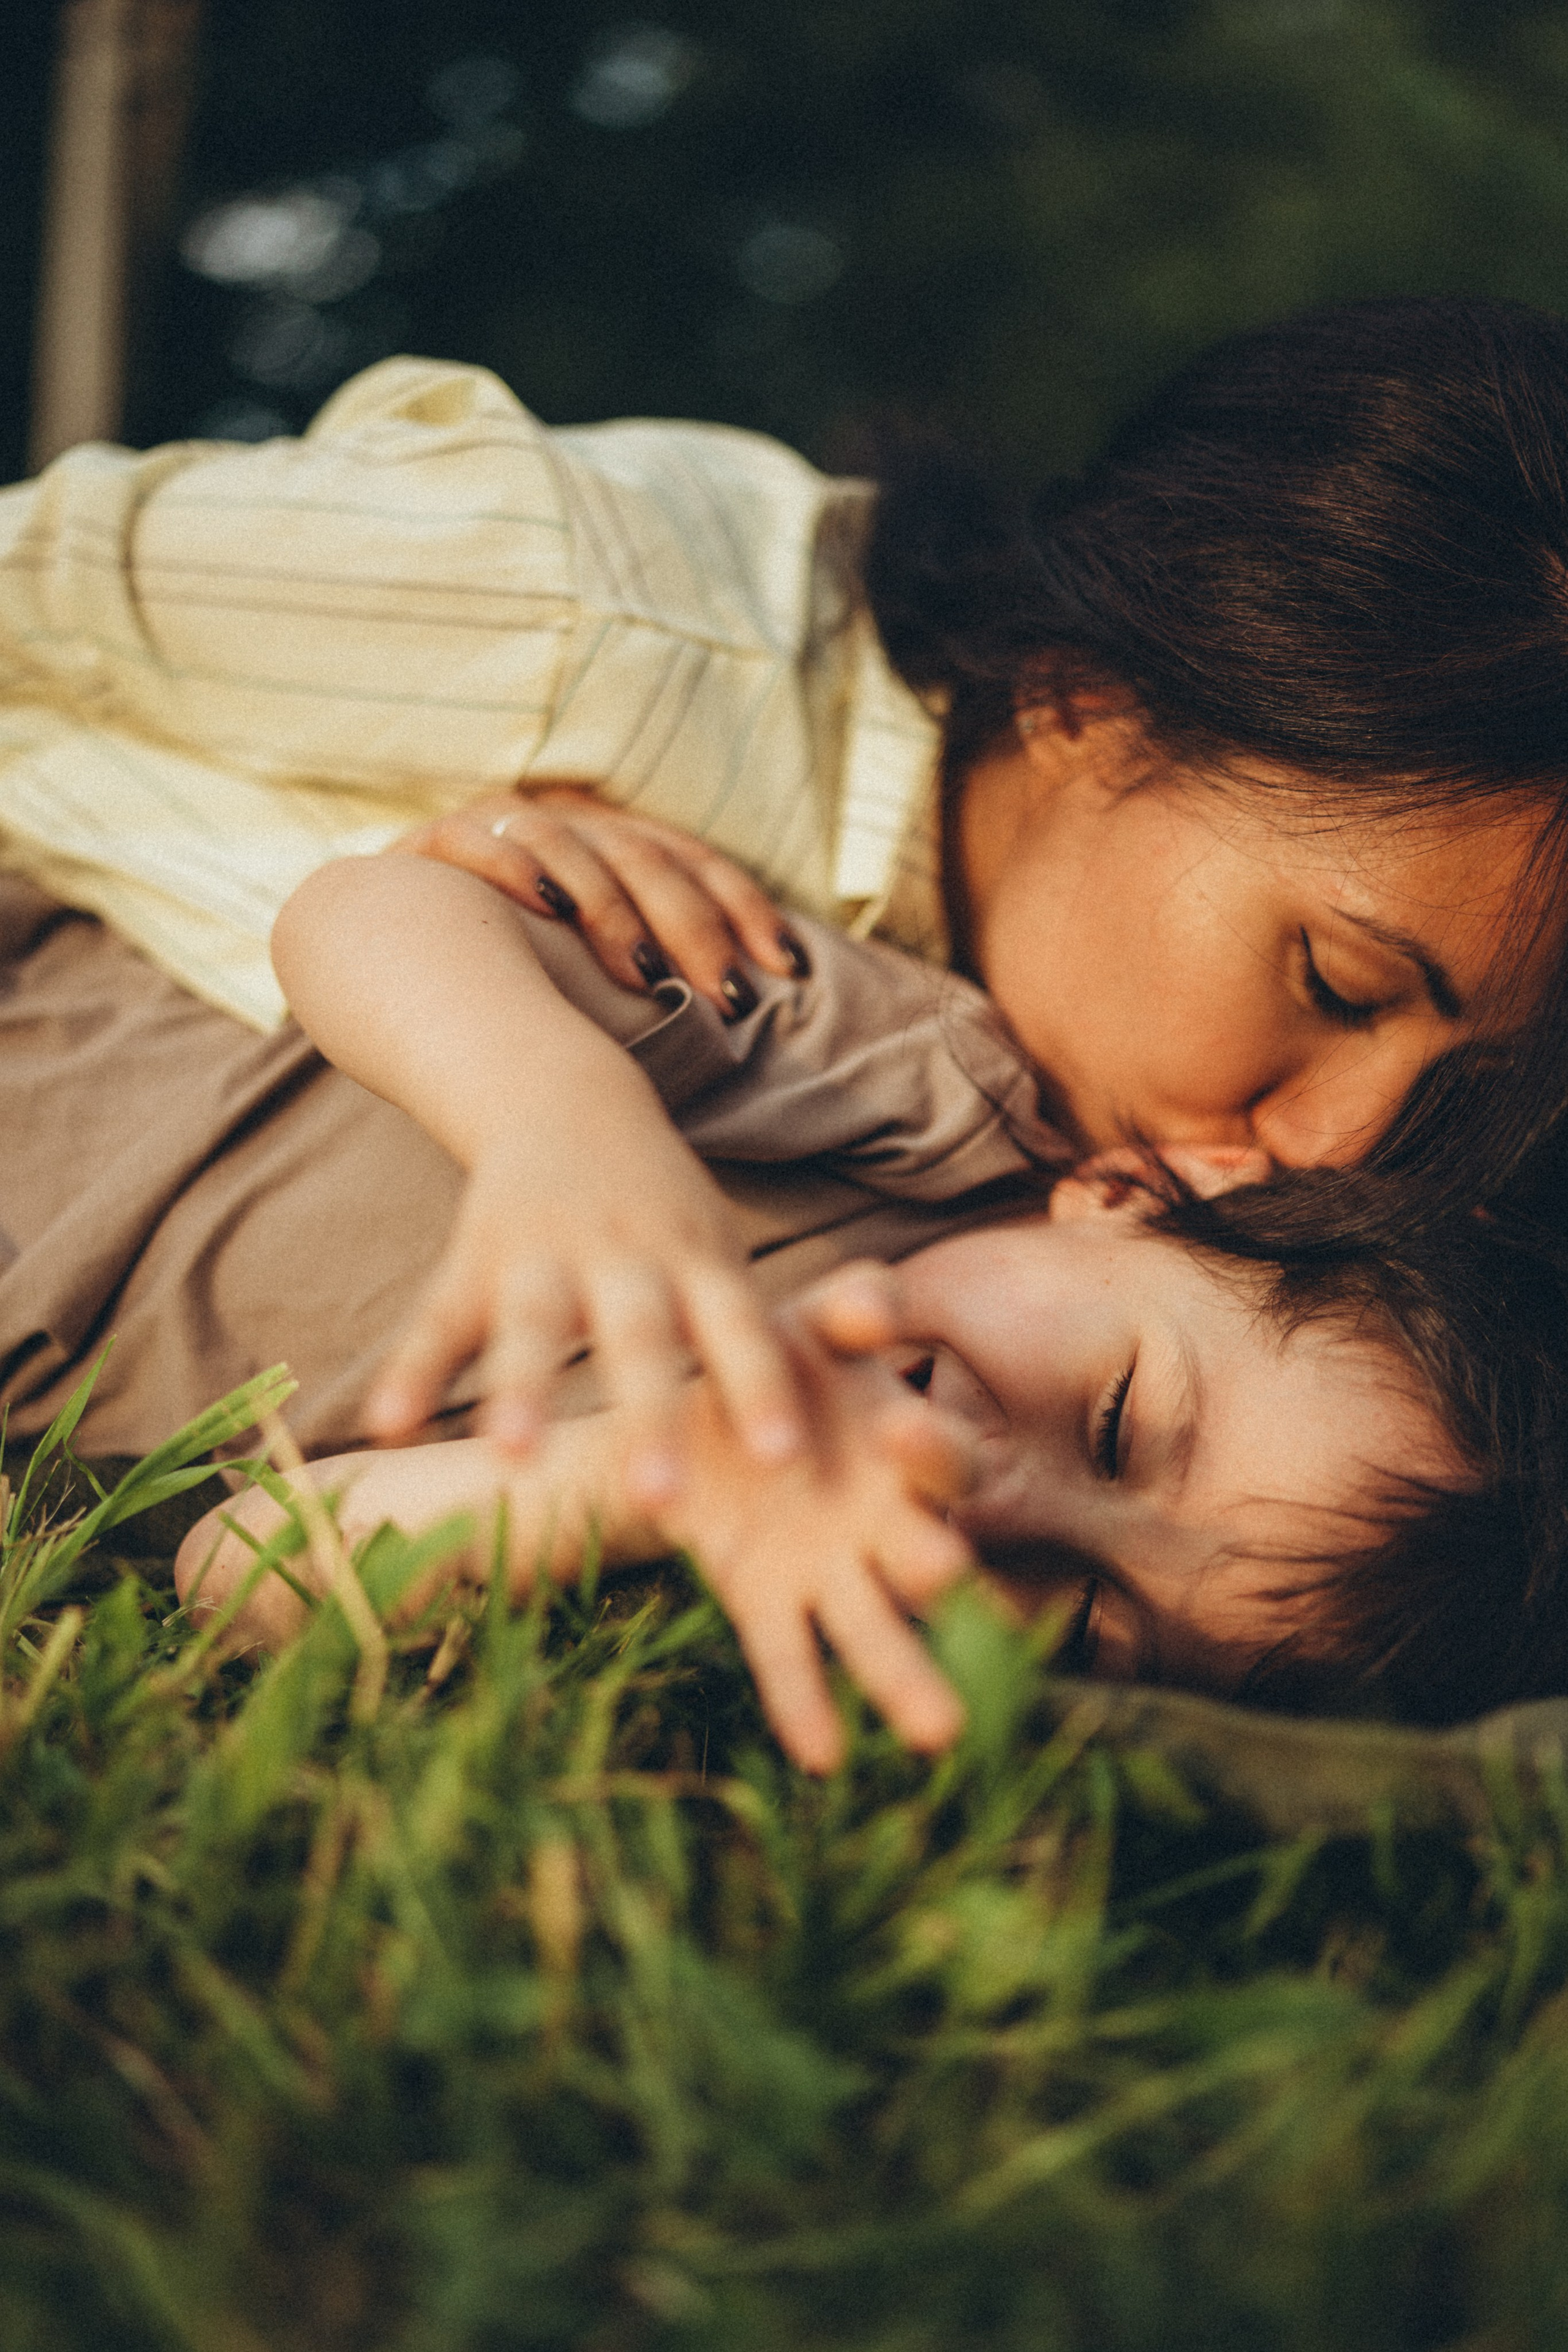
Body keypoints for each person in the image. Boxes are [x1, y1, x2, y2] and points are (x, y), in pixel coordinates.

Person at [6, 295, 1568, 1462]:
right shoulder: (576, 619)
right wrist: (394, 866)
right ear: (1086, 702)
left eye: (1462, 1082)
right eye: (1336, 983)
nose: (1347, 1148)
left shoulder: (1035, 1133)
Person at [175, 1152, 1568, 1773]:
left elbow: (234, 1561)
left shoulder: (732, 1612)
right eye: (1112, 1422)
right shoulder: (907, 1094)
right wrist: (558, 1110)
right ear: (1125, 1197)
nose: (990, 1497)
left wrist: (654, 1478)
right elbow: (369, 908)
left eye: (1089, 1624)